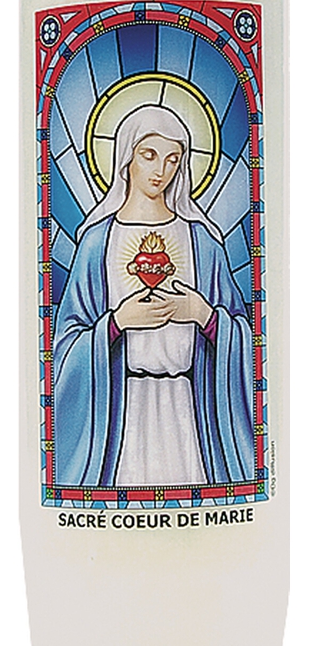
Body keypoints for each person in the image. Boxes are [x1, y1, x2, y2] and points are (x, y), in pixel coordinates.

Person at [53, 105, 255, 487]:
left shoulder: (202, 242)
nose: (161, 170)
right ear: (126, 157)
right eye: (149, 155)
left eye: (173, 159)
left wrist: (204, 316)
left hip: (187, 412)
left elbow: (250, 343)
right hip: (120, 413)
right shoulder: (96, 243)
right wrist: (117, 324)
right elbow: (64, 345)